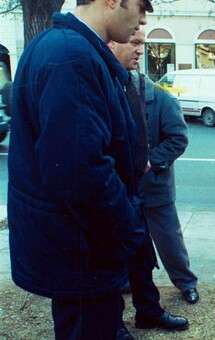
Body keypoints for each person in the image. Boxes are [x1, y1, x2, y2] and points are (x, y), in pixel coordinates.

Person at [8, 0, 153, 338]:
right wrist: (128, 229)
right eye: (140, 6)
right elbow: (80, 173)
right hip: (83, 254)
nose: (141, 20)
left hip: (75, 249)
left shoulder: (55, 46)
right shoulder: (73, 57)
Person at [109, 29, 189, 337]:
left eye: (143, 43)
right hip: (115, 188)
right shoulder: (105, 83)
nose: (139, 50)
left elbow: (177, 138)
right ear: (111, 41)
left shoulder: (152, 93)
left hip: (146, 189)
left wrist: (150, 161)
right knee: (119, 254)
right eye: (134, 42)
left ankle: (161, 302)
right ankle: (115, 321)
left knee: (153, 249)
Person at [142, 69, 200, 304]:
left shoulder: (163, 98)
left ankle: (186, 283)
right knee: (129, 241)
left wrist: (151, 161)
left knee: (169, 241)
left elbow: (178, 139)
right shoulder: (115, 94)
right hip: (123, 188)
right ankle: (128, 281)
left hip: (155, 187)